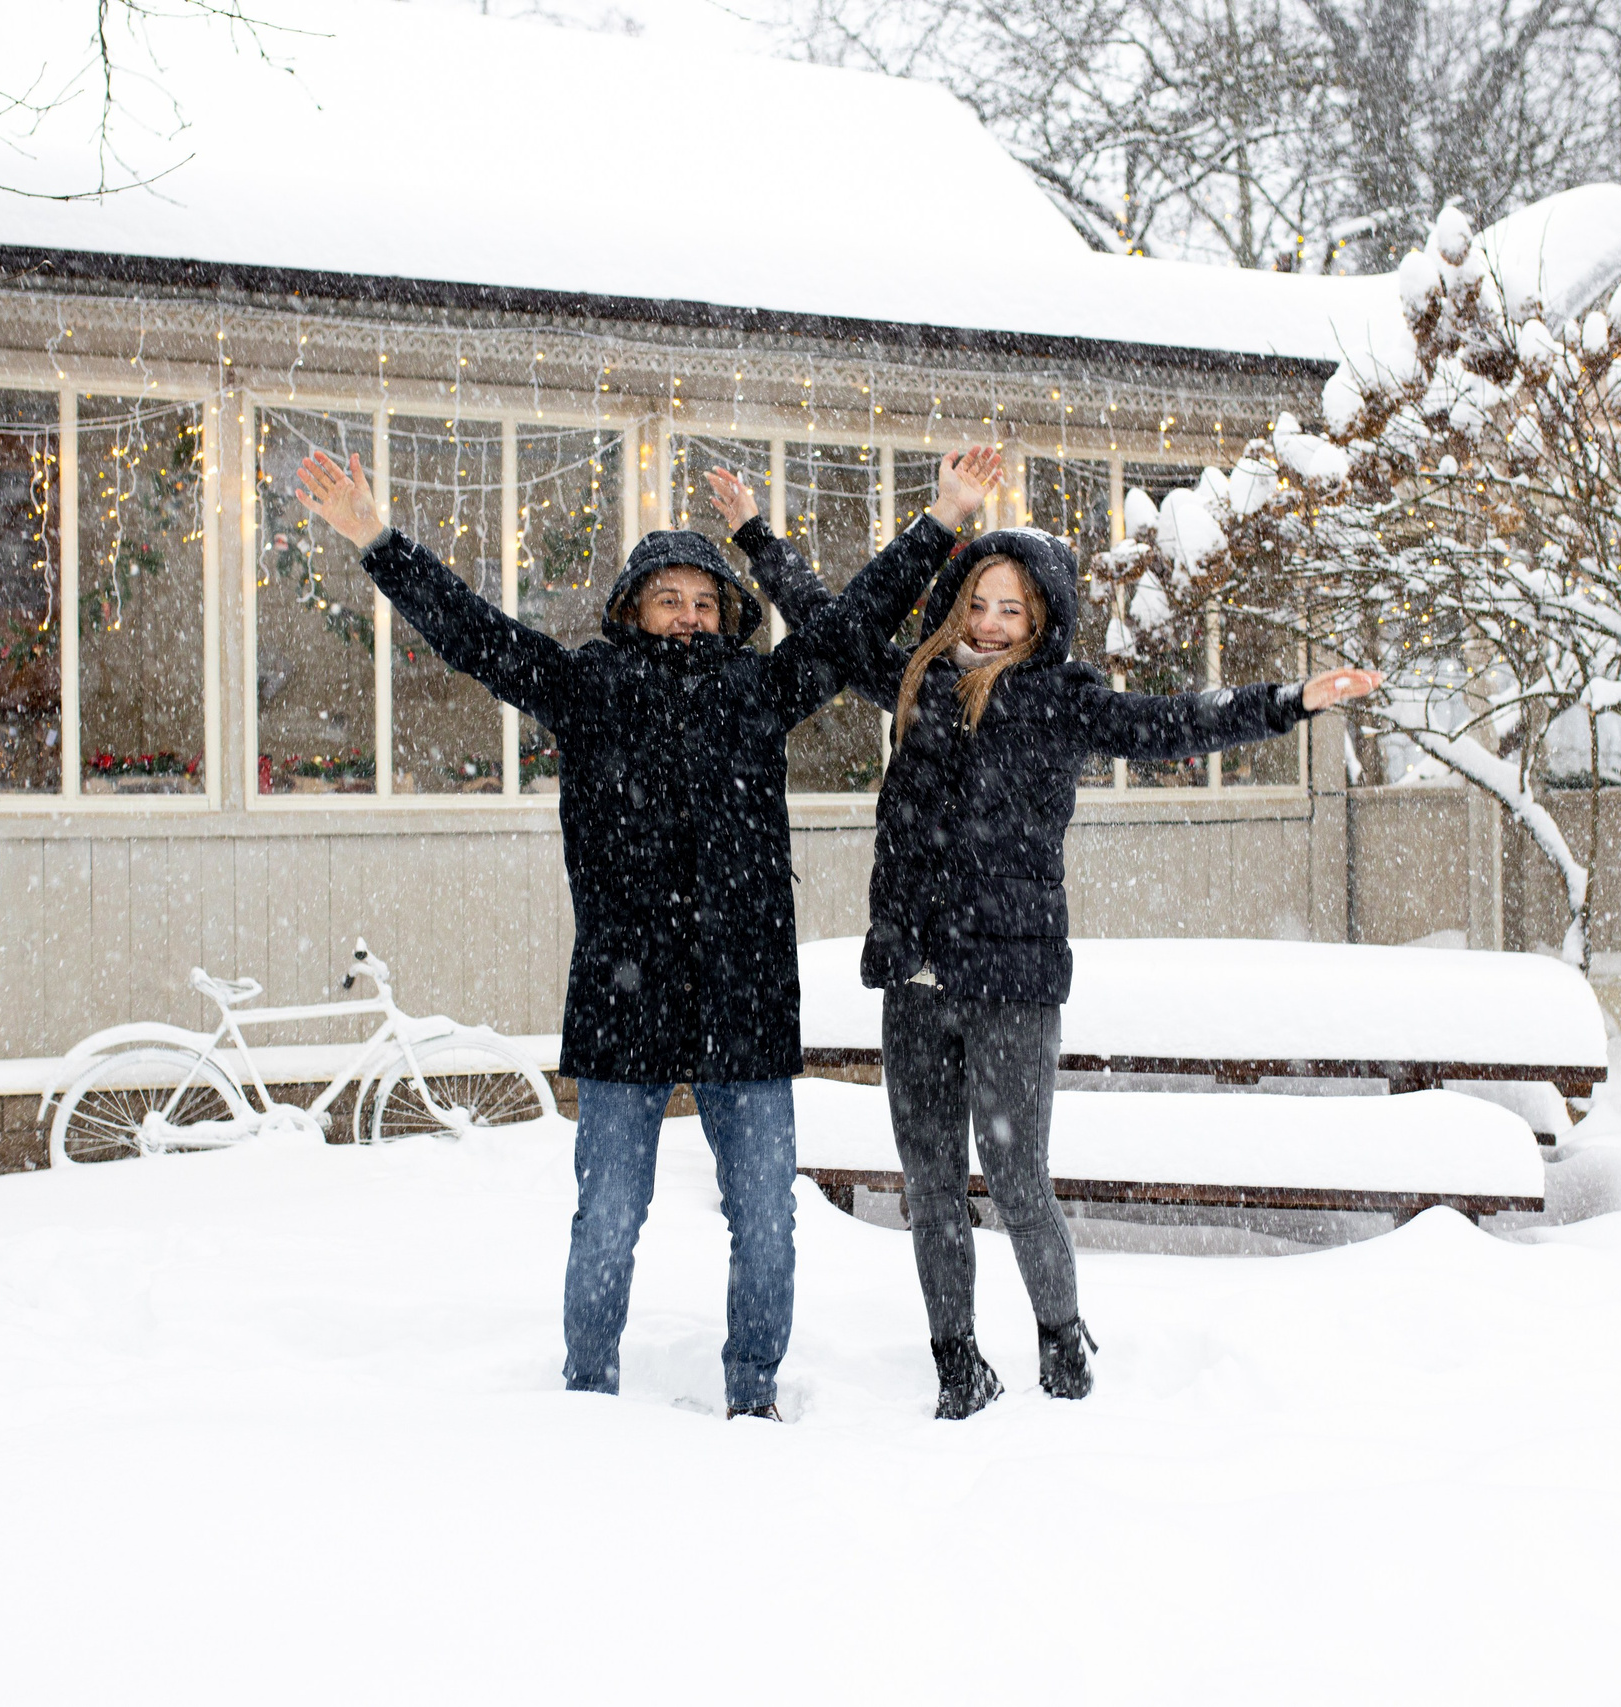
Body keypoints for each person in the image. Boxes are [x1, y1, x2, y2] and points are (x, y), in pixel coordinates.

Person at [293, 444, 1004, 1421]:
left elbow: (848, 629)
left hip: (743, 993)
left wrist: (943, 517)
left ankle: (752, 1398)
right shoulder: (586, 689)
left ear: (726, 611)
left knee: (764, 1224)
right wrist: (375, 537)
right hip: (623, 991)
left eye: (704, 599)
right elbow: (472, 635)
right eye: (666, 597)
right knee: (608, 1220)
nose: (687, 611)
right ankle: (589, 1402)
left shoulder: (758, 689)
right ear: (631, 608)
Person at [728, 510, 1379, 1418]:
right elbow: (824, 616)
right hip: (914, 980)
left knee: (1019, 1180)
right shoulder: (913, 678)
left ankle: (1061, 1336)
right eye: (978, 603)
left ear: (1041, 622)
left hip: (1012, 986)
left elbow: (1170, 724)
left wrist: (1291, 701)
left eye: (1012, 610)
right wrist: (758, 539)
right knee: (932, 1190)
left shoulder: (1062, 699)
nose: (990, 623)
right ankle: (956, 1360)